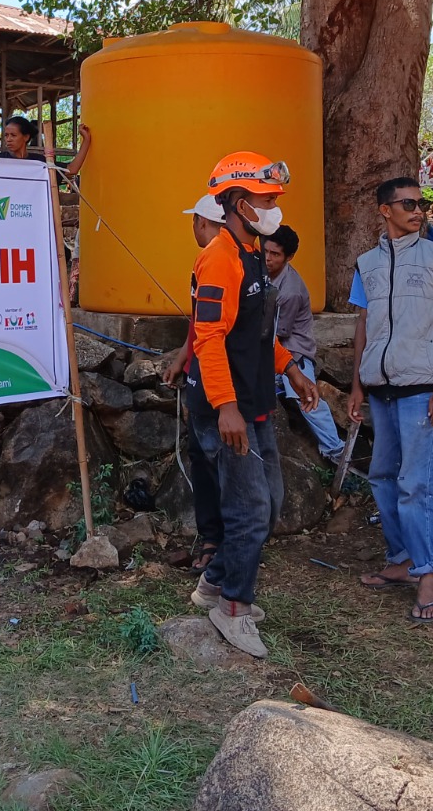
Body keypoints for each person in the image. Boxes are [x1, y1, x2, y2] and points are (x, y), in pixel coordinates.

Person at [177, 152, 311, 659]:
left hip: (256, 402)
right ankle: (233, 607)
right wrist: (225, 406)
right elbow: (209, 337)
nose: (273, 206)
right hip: (227, 406)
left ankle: (214, 582)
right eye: (265, 198)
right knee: (249, 507)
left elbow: (256, 334)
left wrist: (291, 369)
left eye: (274, 199)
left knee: (269, 501)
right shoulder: (218, 258)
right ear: (236, 201)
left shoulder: (252, 253)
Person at [347, 177, 433, 626]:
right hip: (379, 387)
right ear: (385, 210)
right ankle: (402, 558)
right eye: (408, 204)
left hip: (422, 387)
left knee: (418, 484)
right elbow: (365, 324)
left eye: (421, 204)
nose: (418, 210)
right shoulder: (366, 264)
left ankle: (428, 577)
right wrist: (357, 383)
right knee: (383, 477)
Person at [164, 194, 228, 573]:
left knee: (213, 459)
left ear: (204, 223)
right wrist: (182, 358)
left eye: (194, 222)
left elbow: (215, 332)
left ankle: (219, 541)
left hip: (214, 380)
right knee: (205, 458)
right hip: (201, 370)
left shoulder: (218, 259)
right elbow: (199, 324)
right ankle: (213, 537)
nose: (192, 228)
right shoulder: (209, 262)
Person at [261, 225, 346, 463]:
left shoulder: (291, 291)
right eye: (265, 251)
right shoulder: (260, 271)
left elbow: (276, 335)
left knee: (305, 394)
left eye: (275, 254)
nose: (268, 258)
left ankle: (335, 448)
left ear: (288, 257)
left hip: (293, 349)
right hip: (271, 344)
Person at [0, 115, 92, 176]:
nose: (8, 139)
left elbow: (72, 169)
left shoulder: (40, 162)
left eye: (13, 135)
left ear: (26, 137)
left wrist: (86, 139)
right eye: (6, 135)